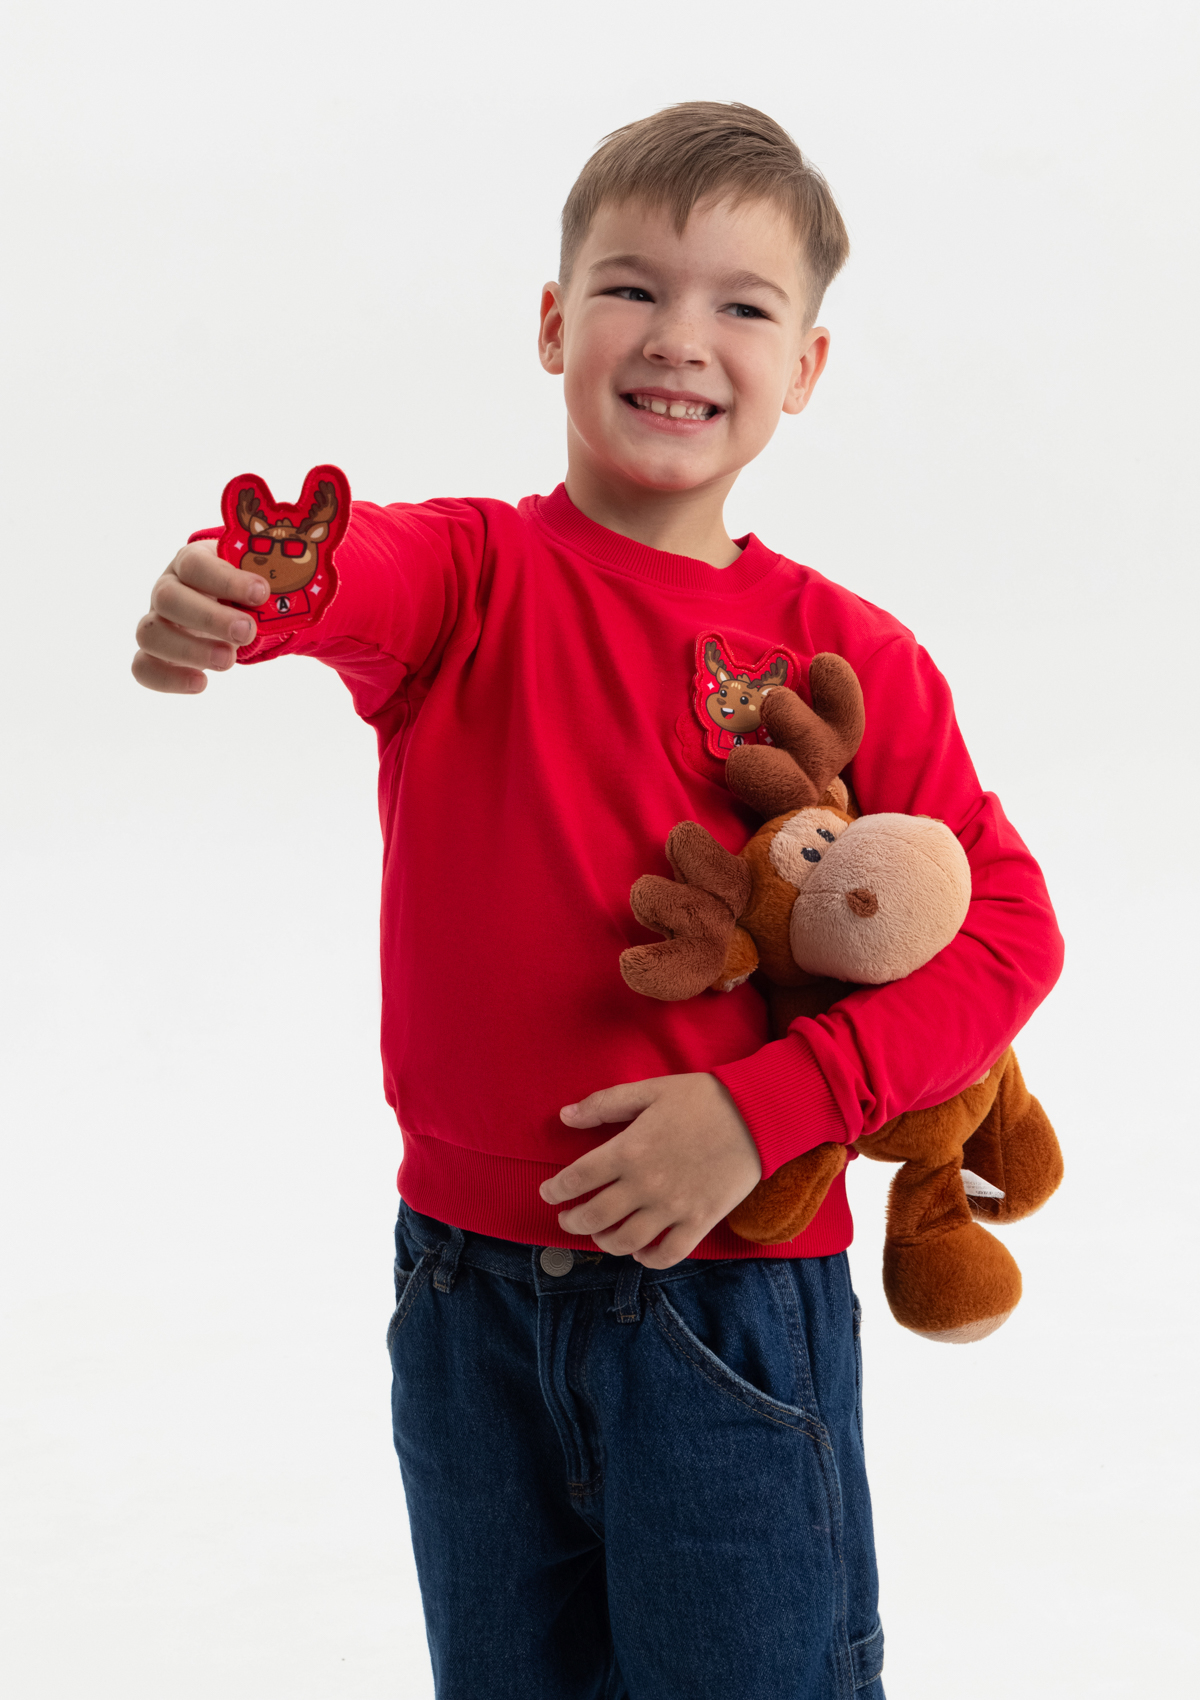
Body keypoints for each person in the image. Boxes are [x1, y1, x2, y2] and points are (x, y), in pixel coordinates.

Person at [130, 102, 1062, 1700]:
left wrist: (770, 1111)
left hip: (730, 1308)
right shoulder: (476, 575)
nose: (680, 337)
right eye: (633, 288)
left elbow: (1009, 932)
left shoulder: (850, 654)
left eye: (742, 306)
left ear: (806, 367)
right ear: (556, 324)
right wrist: (245, 590)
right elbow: (348, 567)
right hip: (463, 1304)